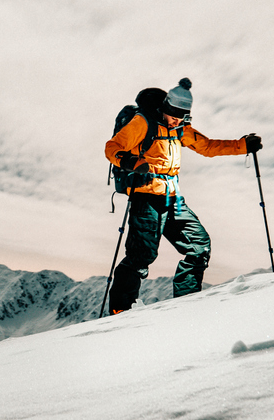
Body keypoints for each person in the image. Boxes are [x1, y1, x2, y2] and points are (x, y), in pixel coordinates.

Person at [104, 78, 261, 313]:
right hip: (146, 198)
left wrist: (242, 146)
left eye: (181, 116)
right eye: (173, 114)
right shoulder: (142, 123)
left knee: (199, 245)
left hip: (173, 199)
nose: (176, 119)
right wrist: (129, 161)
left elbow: (207, 147)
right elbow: (112, 147)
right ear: (164, 107)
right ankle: (120, 311)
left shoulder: (180, 129)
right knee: (140, 257)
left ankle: (186, 304)